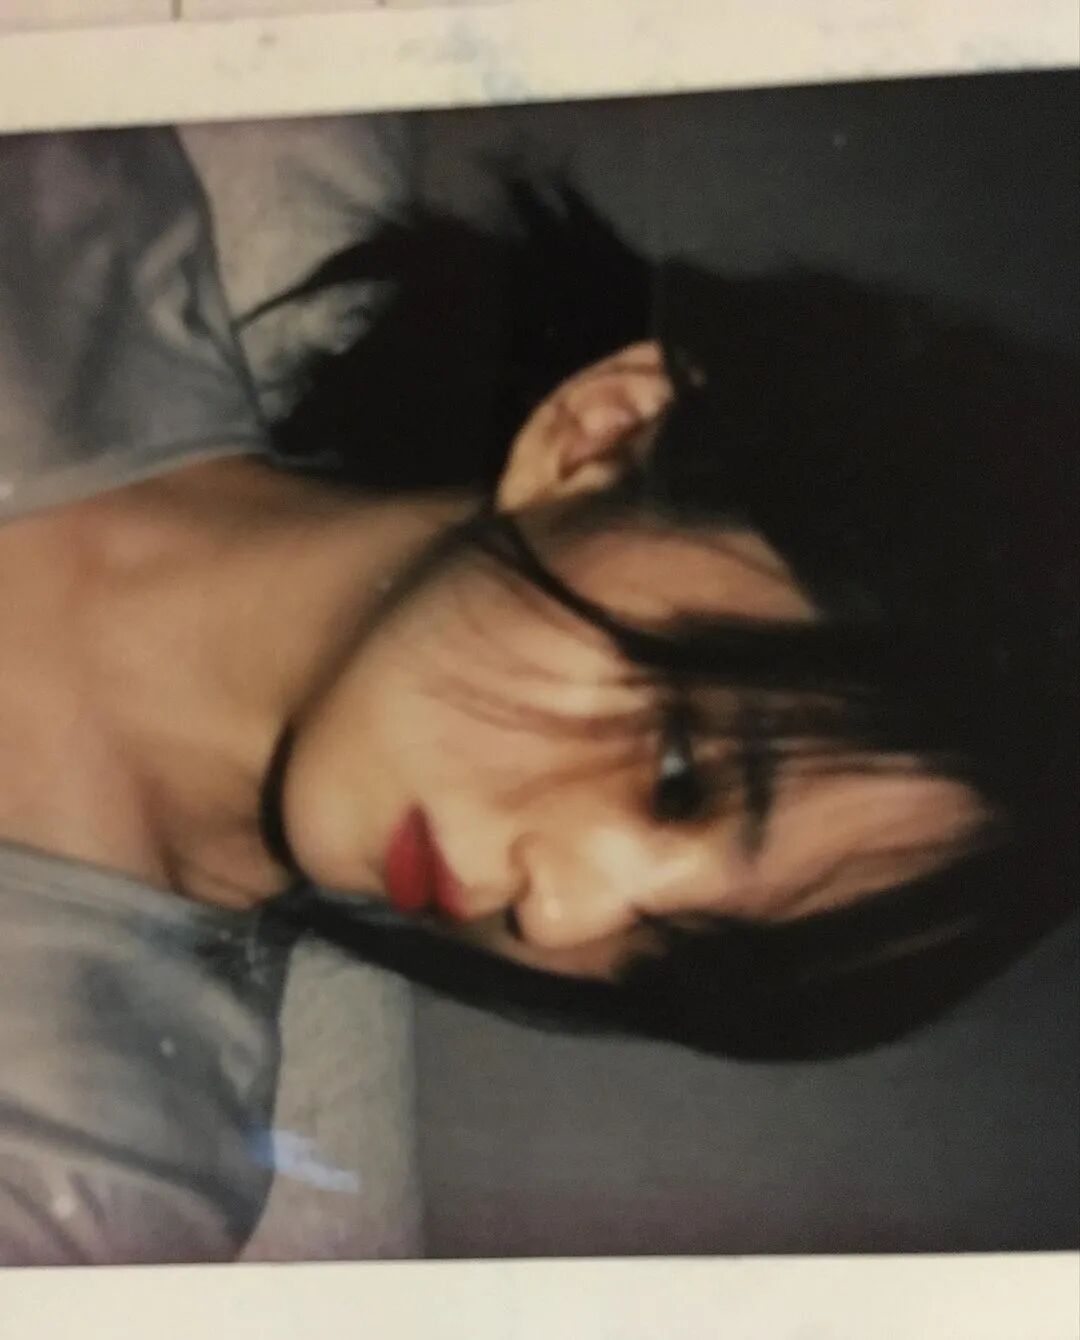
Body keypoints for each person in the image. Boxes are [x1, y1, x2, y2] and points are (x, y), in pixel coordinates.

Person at [0, 128, 1075, 1264]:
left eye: (671, 956)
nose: (561, 917)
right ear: (608, 433)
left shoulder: (97, 1178)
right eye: (680, 773)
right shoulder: (59, 185)